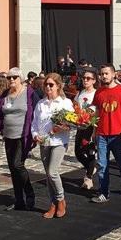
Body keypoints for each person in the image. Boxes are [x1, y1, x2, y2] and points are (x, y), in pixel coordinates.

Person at [0, 67, 40, 211]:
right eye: (9, 77)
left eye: (15, 77)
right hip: (8, 136)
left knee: (18, 165)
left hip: (23, 136)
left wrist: (37, 133)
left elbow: (38, 113)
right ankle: (19, 201)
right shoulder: (5, 95)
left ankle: (29, 194)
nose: (11, 80)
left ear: (21, 79)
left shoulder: (30, 94)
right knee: (13, 168)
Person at [31, 73, 74, 218]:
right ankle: (53, 203)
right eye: (46, 85)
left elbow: (72, 124)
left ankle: (61, 200)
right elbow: (34, 123)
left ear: (58, 86)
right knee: (48, 176)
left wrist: (61, 127)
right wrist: (35, 134)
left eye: (51, 85)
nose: (48, 87)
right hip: (44, 142)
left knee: (52, 172)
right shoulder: (40, 104)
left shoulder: (65, 103)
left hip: (59, 142)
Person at [90, 64, 121, 203]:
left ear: (113, 74)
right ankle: (104, 193)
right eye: (102, 74)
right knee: (102, 165)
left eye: (106, 73)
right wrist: (94, 130)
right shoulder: (99, 92)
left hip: (118, 135)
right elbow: (97, 112)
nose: (104, 76)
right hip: (102, 135)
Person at [74, 68, 97, 190]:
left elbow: (97, 111)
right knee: (78, 152)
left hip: (91, 127)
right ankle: (91, 168)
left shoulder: (96, 93)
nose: (85, 80)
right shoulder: (80, 93)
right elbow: (75, 106)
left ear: (94, 80)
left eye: (88, 78)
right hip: (80, 126)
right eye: (84, 78)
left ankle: (88, 178)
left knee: (90, 152)